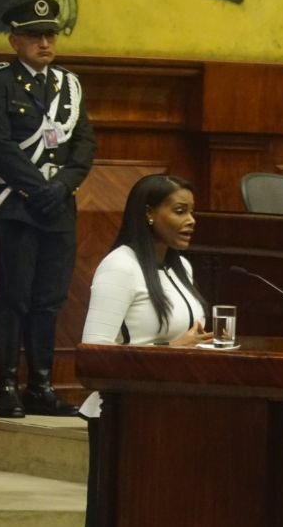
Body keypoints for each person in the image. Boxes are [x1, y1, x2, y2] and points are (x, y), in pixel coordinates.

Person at [0, 0, 96, 418]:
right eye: (34, 36)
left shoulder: (70, 85)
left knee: (49, 298)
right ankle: (6, 385)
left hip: (59, 206)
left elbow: (84, 144)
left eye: (50, 35)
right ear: (14, 41)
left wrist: (61, 185)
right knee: (15, 296)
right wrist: (36, 190)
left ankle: (40, 384)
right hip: (18, 206)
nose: (45, 42)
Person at [79, 174, 213, 527]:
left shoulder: (180, 266)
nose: (191, 221)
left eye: (193, 212)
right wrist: (171, 350)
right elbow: (94, 355)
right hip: (125, 414)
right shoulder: (119, 267)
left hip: (178, 407)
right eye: (180, 211)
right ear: (149, 214)